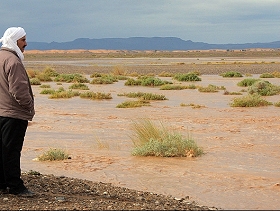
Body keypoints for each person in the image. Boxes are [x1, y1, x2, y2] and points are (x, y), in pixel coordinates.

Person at [0, 27, 35, 197]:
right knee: (12, 151)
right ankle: (15, 186)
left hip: (1, 112)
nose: (25, 44)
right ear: (14, 41)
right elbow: (19, 90)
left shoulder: (1, 57)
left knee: (3, 149)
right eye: (23, 40)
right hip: (13, 114)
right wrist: (28, 107)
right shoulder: (13, 61)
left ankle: (2, 183)